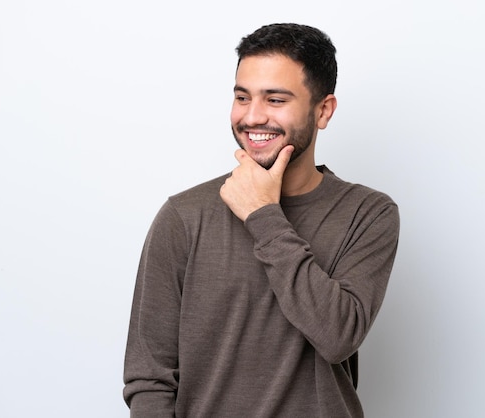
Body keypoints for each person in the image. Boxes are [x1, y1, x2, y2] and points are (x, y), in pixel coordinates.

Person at [123, 23, 400, 418]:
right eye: (242, 96)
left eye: (275, 99)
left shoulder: (368, 214)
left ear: (323, 110)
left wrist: (262, 215)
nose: (252, 117)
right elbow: (149, 378)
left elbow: (338, 336)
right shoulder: (183, 216)